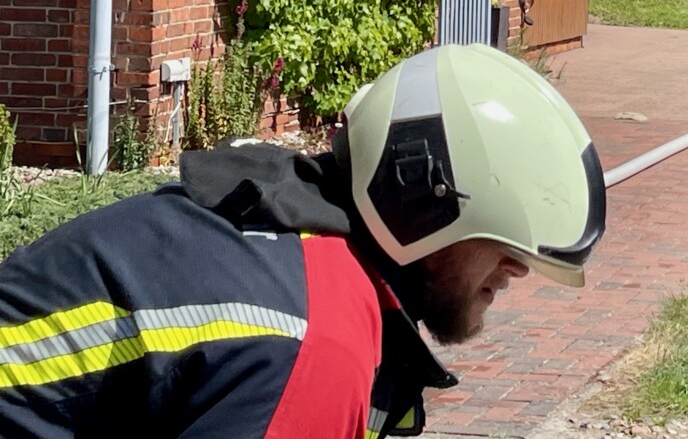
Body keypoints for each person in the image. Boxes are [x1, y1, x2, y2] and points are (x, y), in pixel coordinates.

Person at [0, 43, 606, 438]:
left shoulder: (295, 234)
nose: (519, 270)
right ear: (422, 205)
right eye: (507, 244)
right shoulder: (319, 340)